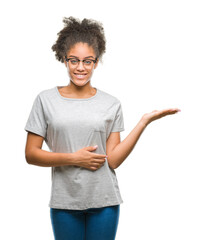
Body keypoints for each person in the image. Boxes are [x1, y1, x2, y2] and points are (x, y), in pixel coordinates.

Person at [24, 16, 180, 240]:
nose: (81, 67)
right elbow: (31, 154)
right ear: (64, 60)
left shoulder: (111, 103)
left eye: (88, 61)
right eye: (74, 60)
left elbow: (113, 160)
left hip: (105, 202)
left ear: (96, 62)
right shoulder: (45, 100)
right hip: (65, 201)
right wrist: (74, 158)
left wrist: (144, 121)